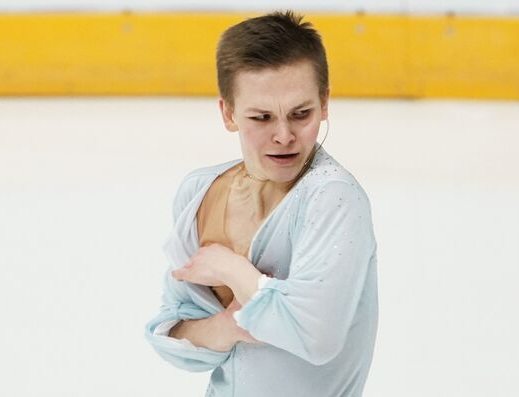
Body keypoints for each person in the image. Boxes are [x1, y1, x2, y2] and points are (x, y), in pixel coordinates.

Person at [144, 10, 378, 397]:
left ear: (325, 102)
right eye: (261, 117)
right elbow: (173, 331)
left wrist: (234, 270)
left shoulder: (333, 198)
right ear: (229, 113)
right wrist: (232, 325)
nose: (284, 135)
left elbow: (316, 336)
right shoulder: (199, 193)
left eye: (301, 114)